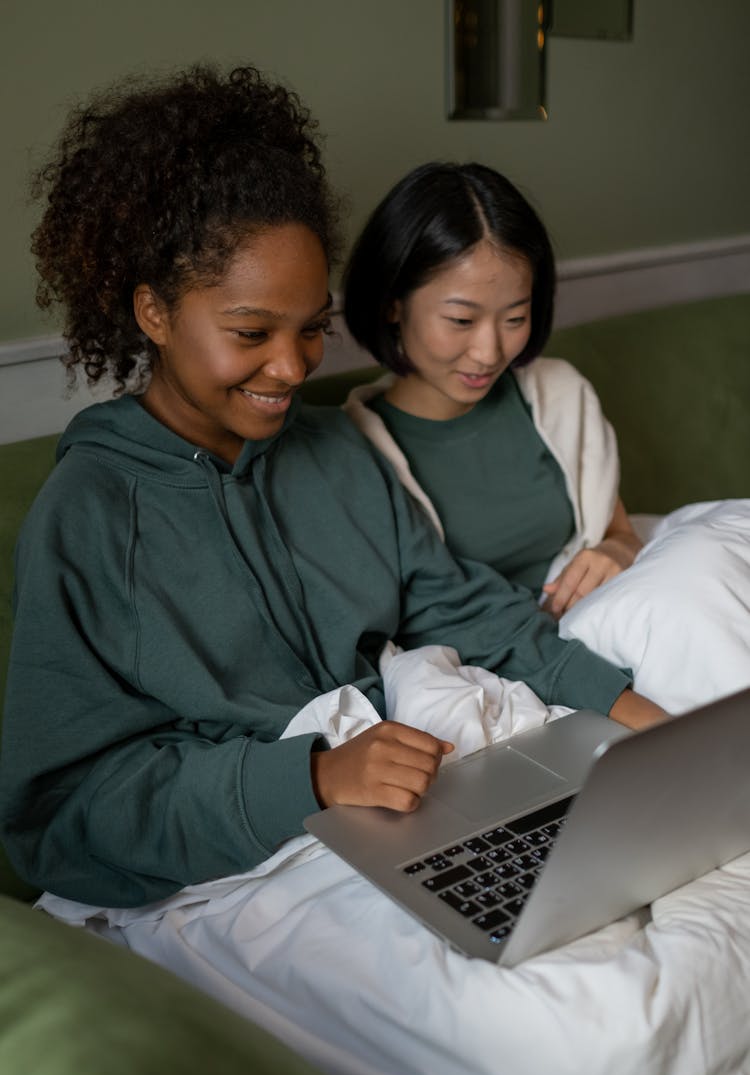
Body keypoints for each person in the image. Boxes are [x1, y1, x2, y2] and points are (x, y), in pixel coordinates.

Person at [0, 66, 664, 912]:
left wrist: (644, 718)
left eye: (312, 329)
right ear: (154, 313)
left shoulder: (336, 452)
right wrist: (309, 776)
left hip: (406, 814)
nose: (292, 367)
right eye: (252, 332)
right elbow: (57, 816)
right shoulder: (88, 518)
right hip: (228, 866)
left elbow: (462, 607)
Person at [342, 161, 643, 619]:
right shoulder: (352, 451)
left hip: (600, 625)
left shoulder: (558, 397)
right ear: (392, 306)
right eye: (461, 320)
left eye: (515, 319)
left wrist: (616, 554)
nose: (488, 352)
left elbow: (619, 533)